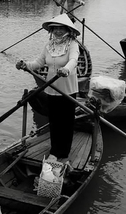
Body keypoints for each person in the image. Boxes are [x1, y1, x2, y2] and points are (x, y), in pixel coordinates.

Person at [15, 13, 80, 164]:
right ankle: (54, 150)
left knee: (66, 122)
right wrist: (25, 65)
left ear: (67, 29)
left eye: (60, 28)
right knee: (54, 121)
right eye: (54, 28)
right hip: (51, 89)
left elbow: (74, 60)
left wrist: (66, 69)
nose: (57, 31)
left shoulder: (73, 44)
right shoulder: (49, 46)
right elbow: (38, 63)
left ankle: (63, 153)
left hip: (68, 90)